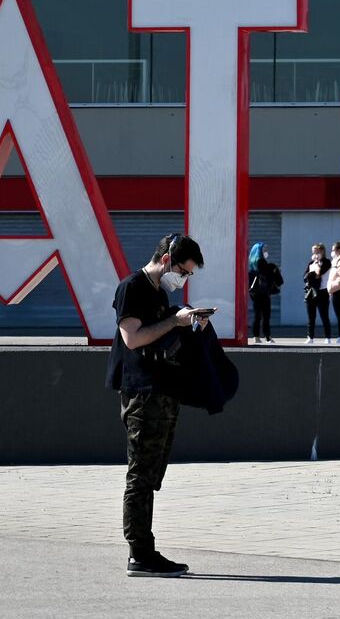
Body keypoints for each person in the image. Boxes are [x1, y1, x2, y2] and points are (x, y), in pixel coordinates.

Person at [108, 233, 207, 577]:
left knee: (151, 471)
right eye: (184, 271)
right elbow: (132, 338)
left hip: (161, 391)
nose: (184, 279)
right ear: (167, 260)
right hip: (141, 392)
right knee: (140, 472)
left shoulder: (158, 293)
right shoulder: (132, 287)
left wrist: (189, 323)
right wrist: (173, 320)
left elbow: (162, 336)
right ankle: (139, 552)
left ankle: (146, 549)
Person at [246, 243, 281, 344]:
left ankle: (256, 336)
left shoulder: (253, 263)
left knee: (257, 315)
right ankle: (267, 337)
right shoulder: (261, 262)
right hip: (263, 292)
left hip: (255, 292)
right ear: (259, 251)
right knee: (266, 315)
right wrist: (273, 269)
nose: (266, 251)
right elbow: (269, 274)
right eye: (264, 249)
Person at [301, 243, 332, 343]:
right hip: (311, 291)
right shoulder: (311, 263)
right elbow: (305, 276)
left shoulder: (327, 262)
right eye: (313, 252)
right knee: (311, 316)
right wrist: (310, 274)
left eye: (317, 252)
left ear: (322, 252)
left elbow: (319, 274)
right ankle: (310, 337)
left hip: (322, 292)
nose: (314, 254)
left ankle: (328, 337)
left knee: (324, 315)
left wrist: (317, 264)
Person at [326, 241, 340, 344]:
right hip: (336, 291)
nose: (331, 252)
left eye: (333, 250)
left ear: (339, 250)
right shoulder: (335, 261)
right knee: (339, 315)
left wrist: (330, 287)